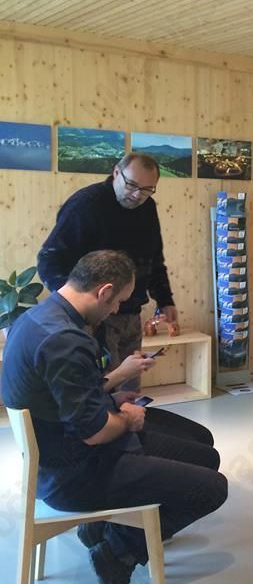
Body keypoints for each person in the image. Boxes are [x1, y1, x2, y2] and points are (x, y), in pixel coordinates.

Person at [1, 251, 228, 584]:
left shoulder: (39, 318)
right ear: (104, 291)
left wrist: (110, 393)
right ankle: (117, 551)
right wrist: (129, 420)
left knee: (203, 445)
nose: (116, 310)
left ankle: (101, 528)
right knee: (213, 488)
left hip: (62, 451)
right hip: (75, 473)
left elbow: (69, 396)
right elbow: (95, 433)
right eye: (119, 302)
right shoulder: (65, 340)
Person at [37, 152, 213, 447]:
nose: (137, 195)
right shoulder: (85, 205)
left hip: (131, 312)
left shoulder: (147, 207)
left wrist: (165, 299)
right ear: (116, 173)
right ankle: (108, 455)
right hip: (95, 318)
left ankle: (133, 447)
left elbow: (154, 259)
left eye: (147, 189)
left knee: (129, 388)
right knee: (103, 391)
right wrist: (75, 309)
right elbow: (49, 260)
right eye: (132, 185)